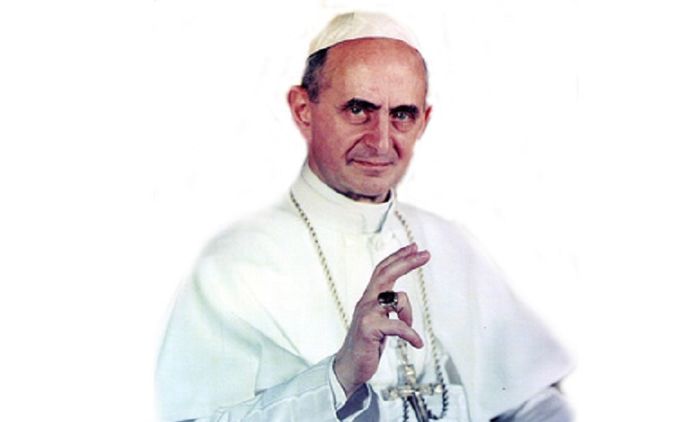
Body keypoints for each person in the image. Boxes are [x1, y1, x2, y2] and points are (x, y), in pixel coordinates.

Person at [156, 11, 574, 422]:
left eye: (402, 114)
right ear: (303, 109)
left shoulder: (450, 244)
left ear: (424, 122)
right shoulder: (231, 267)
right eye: (358, 109)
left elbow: (533, 403)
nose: (381, 142)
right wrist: (340, 378)